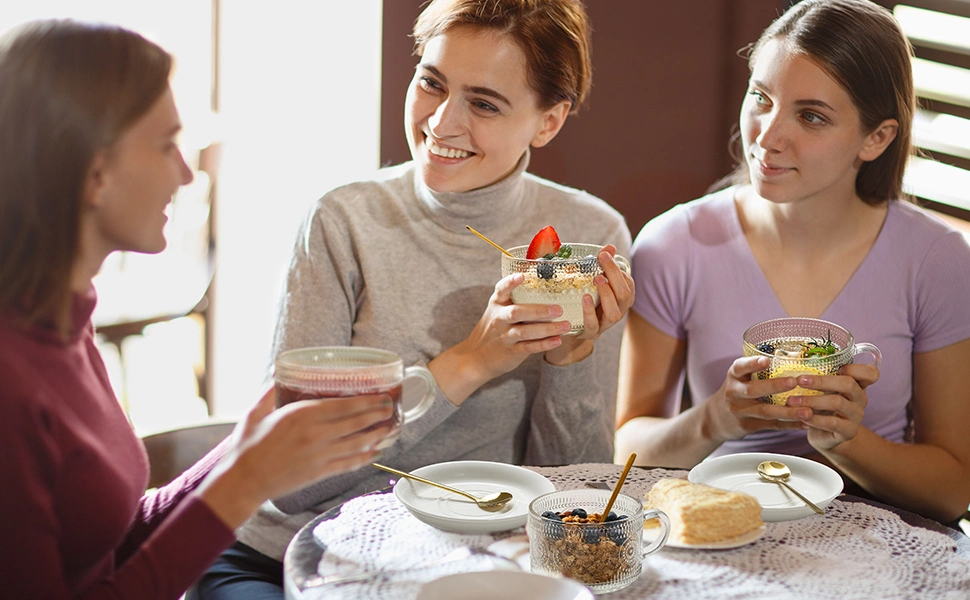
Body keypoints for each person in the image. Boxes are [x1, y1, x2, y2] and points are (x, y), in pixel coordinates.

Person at [191, 0, 632, 597]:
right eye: (431, 82)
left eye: (483, 103)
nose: (441, 123)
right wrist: (469, 362)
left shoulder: (591, 234)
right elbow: (291, 485)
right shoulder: (342, 220)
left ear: (548, 121)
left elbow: (574, 495)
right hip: (284, 559)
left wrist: (569, 365)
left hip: (470, 567)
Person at [0, 20, 399, 599]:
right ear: (94, 171)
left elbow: (112, 539)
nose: (186, 174)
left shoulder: (65, 317)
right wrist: (248, 482)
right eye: (167, 145)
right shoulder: (11, 383)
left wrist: (244, 447)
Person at [616, 0, 970, 525]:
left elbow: (951, 493)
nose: (767, 135)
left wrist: (849, 441)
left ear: (877, 138)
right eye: (761, 97)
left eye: (810, 116)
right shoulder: (673, 243)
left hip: (875, 547)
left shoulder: (939, 262)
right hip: (719, 532)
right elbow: (625, 452)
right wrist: (717, 418)